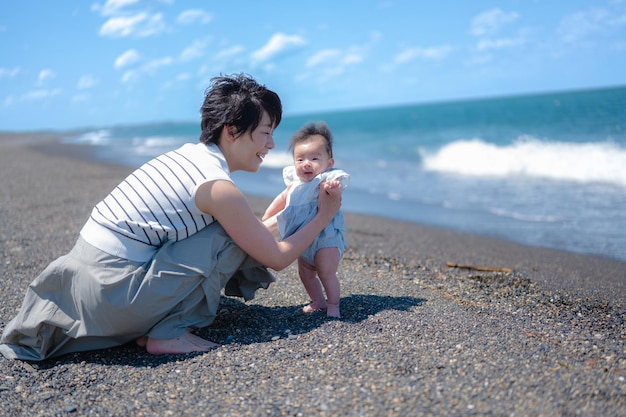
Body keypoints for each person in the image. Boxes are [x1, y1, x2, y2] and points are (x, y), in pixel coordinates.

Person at [0, 74, 342, 361]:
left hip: (81, 284)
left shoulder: (188, 157)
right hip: (111, 296)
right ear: (232, 131)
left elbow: (255, 233)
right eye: (266, 132)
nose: (270, 144)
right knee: (227, 234)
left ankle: (159, 320)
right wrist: (323, 215)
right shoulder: (217, 186)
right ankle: (168, 333)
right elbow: (278, 257)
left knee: (233, 229)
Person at [262, 122, 349, 318]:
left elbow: (336, 191)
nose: (306, 163)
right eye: (300, 159)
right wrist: (267, 217)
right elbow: (282, 198)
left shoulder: (325, 179)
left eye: (314, 158)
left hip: (326, 239)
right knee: (306, 274)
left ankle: (334, 304)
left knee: (326, 273)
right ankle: (318, 301)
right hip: (302, 239)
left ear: (329, 162)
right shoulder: (294, 183)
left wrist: (333, 188)